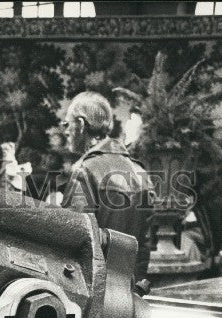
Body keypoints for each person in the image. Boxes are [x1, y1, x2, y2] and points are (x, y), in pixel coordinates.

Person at [61, 91, 154, 284]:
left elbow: (72, 237)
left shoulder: (85, 169)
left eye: (66, 124)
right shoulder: (141, 172)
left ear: (80, 124)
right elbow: (144, 247)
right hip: (127, 291)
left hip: (94, 287)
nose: (65, 131)